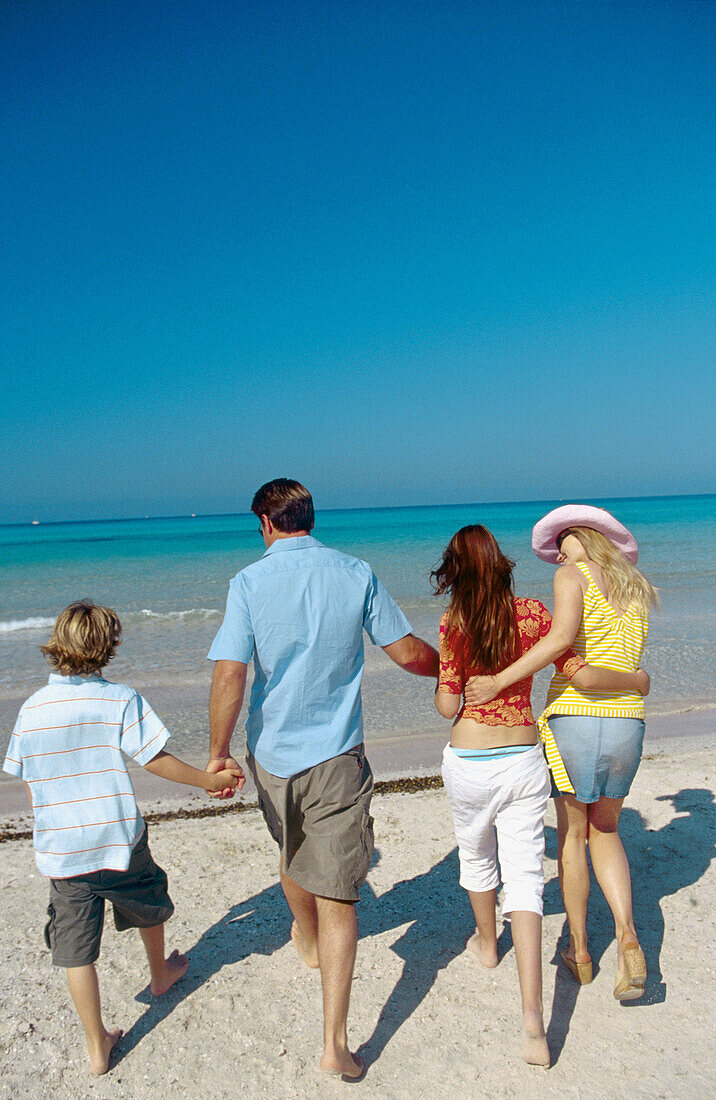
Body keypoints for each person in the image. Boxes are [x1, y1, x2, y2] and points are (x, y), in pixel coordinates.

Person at [206, 478, 438, 1080]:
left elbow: (231, 673)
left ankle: (306, 944)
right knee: (338, 891)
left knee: (292, 851)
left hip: (271, 753)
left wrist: (216, 751)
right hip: (336, 753)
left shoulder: (248, 582)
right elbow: (409, 652)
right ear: (310, 516)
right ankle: (335, 1043)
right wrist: (455, 670)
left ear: (265, 522)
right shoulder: (355, 572)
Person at [432, 525, 648, 1066]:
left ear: (455, 572)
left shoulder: (453, 622)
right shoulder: (532, 613)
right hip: (526, 755)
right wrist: (634, 680)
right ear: (502, 565)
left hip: (472, 758)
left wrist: (450, 684)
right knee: (528, 876)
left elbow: (445, 703)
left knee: (478, 856)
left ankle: (488, 945)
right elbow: (565, 649)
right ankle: (533, 1020)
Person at [2, 601, 242, 1076]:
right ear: (107, 647)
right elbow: (154, 758)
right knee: (148, 900)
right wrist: (206, 781)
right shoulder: (119, 698)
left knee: (74, 949)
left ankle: (97, 1046)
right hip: (117, 837)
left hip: (63, 850)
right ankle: (160, 974)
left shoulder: (32, 708)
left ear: (57, 644)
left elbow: (25, 776)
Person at [466, 505, 658, 1001]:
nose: (556, 554)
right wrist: (635, 682)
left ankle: (579, 949)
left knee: (573, 837)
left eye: (561, 543)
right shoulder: (635, 585)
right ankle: (628, 935)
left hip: (576, 719)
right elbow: (629, 664)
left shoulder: (573, 575)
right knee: (608, 829)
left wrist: (498, 682)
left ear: (580, 538)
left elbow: (560, 639)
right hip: (628, 723)